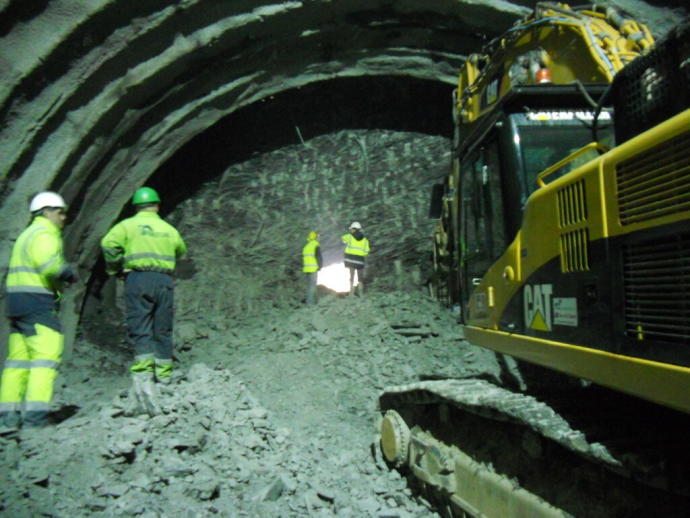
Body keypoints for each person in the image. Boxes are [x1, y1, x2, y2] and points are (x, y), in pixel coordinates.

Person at [100, 187, 187, 416]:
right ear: (156, 206)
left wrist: (113, 268)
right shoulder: (168, 229)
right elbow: (181, 250)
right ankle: (165, 376)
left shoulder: (126, 226)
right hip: (164, 280)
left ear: (136, 206)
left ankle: (143, 375)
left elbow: (108, 244)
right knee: (163, 327)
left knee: (140, 325)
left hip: (138, 278)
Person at [0, 191, 78, 432]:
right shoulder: (45, 233)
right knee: (46, 354)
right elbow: (48, 265)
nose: (64, 217)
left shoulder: (26, 235)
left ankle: (6, 419)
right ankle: (35, 420)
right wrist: (67, 272)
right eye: (60, 212)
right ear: (46, 212)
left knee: (18, 363)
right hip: (36, 303)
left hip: (17, 304)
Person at [342, 221, 370, 296]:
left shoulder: (349, 237)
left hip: (350, 260)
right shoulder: (365, 240)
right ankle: (361, 293)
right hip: (360, 261)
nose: (350, 230)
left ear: (354, 229)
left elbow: (343, 239)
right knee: (360, 278)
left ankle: (351, 292)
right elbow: (366, 251)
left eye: (351, 229)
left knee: (351, 277)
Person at [302, 231, 323, 305]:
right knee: (312, 287)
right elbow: (319, 257)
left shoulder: (306, 247)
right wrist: (320, 266)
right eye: (318, 237)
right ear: (315, 237)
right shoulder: (316, 245)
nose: (319, 238)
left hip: (306, 269)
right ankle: (311, 304)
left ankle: (309, 302)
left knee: (309, 287)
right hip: (313, 269)